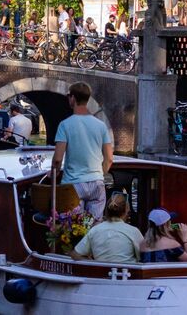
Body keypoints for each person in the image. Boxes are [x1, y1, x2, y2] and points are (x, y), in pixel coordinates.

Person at [51, 82, 114, 219]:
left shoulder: (65, 125)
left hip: (73, 185)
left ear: (73, 98)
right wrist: (98, 174)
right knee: (93, 227)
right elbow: (109, 158)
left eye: (69, 96)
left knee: (71, 229)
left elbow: (57, 159)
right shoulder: (101, 126)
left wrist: (52, 176)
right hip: (96, 182)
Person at [70, 193, 142, 264]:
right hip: (127, 274)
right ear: (126, 211)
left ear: (107, 211)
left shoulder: (95, 230)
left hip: (100, 273)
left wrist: (94, 264)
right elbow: (144, 257)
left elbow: (75, 255)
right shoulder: (133, 231)